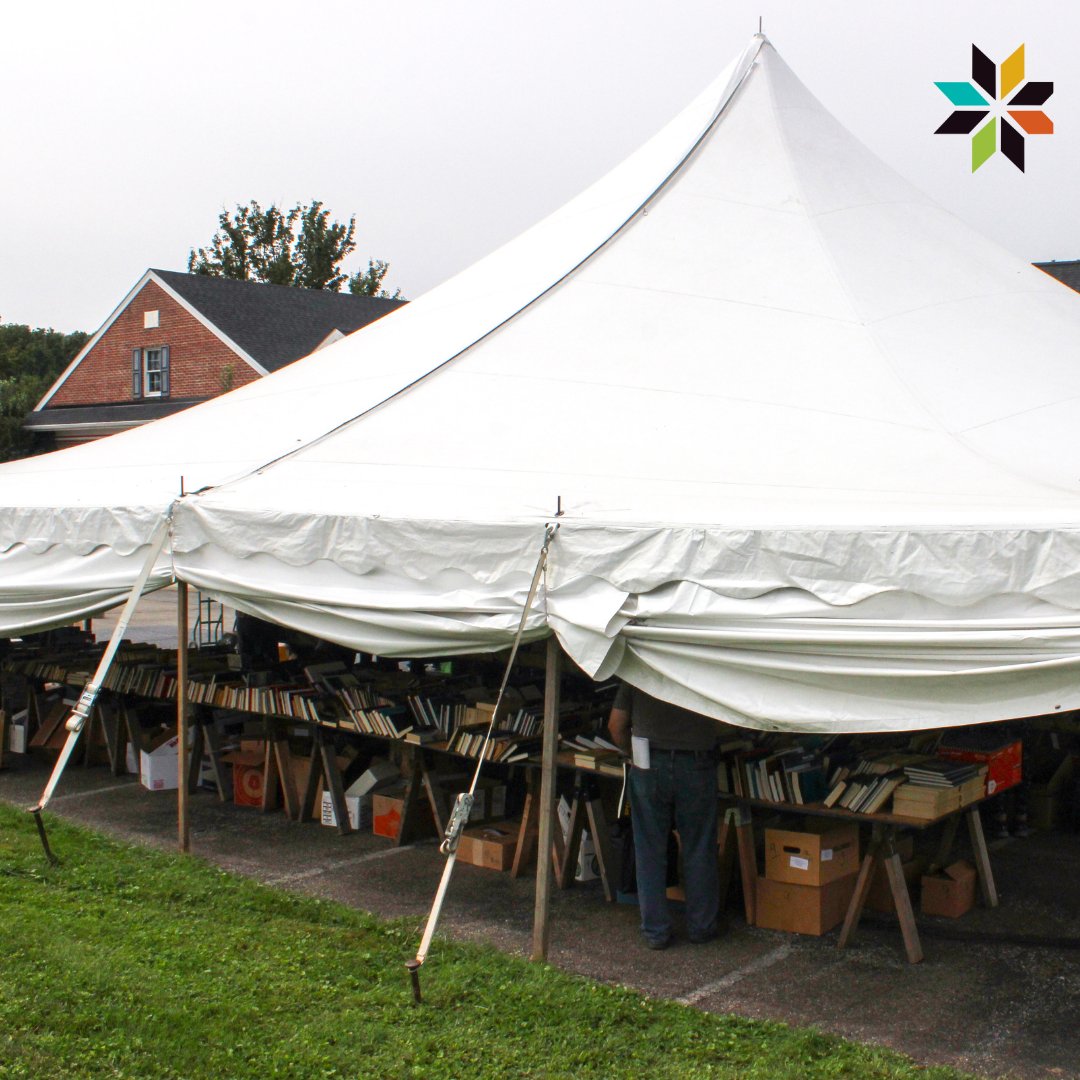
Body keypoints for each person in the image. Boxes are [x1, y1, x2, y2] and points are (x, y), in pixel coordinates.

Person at [608, 681, 720, 950]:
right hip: (697, 761)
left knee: (649, 848)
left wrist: (631, 753)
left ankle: (655, 931)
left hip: (648, 760)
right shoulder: (707, 667)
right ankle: (701, 927)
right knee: (699, 848)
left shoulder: (640, 668)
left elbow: (615, 725)